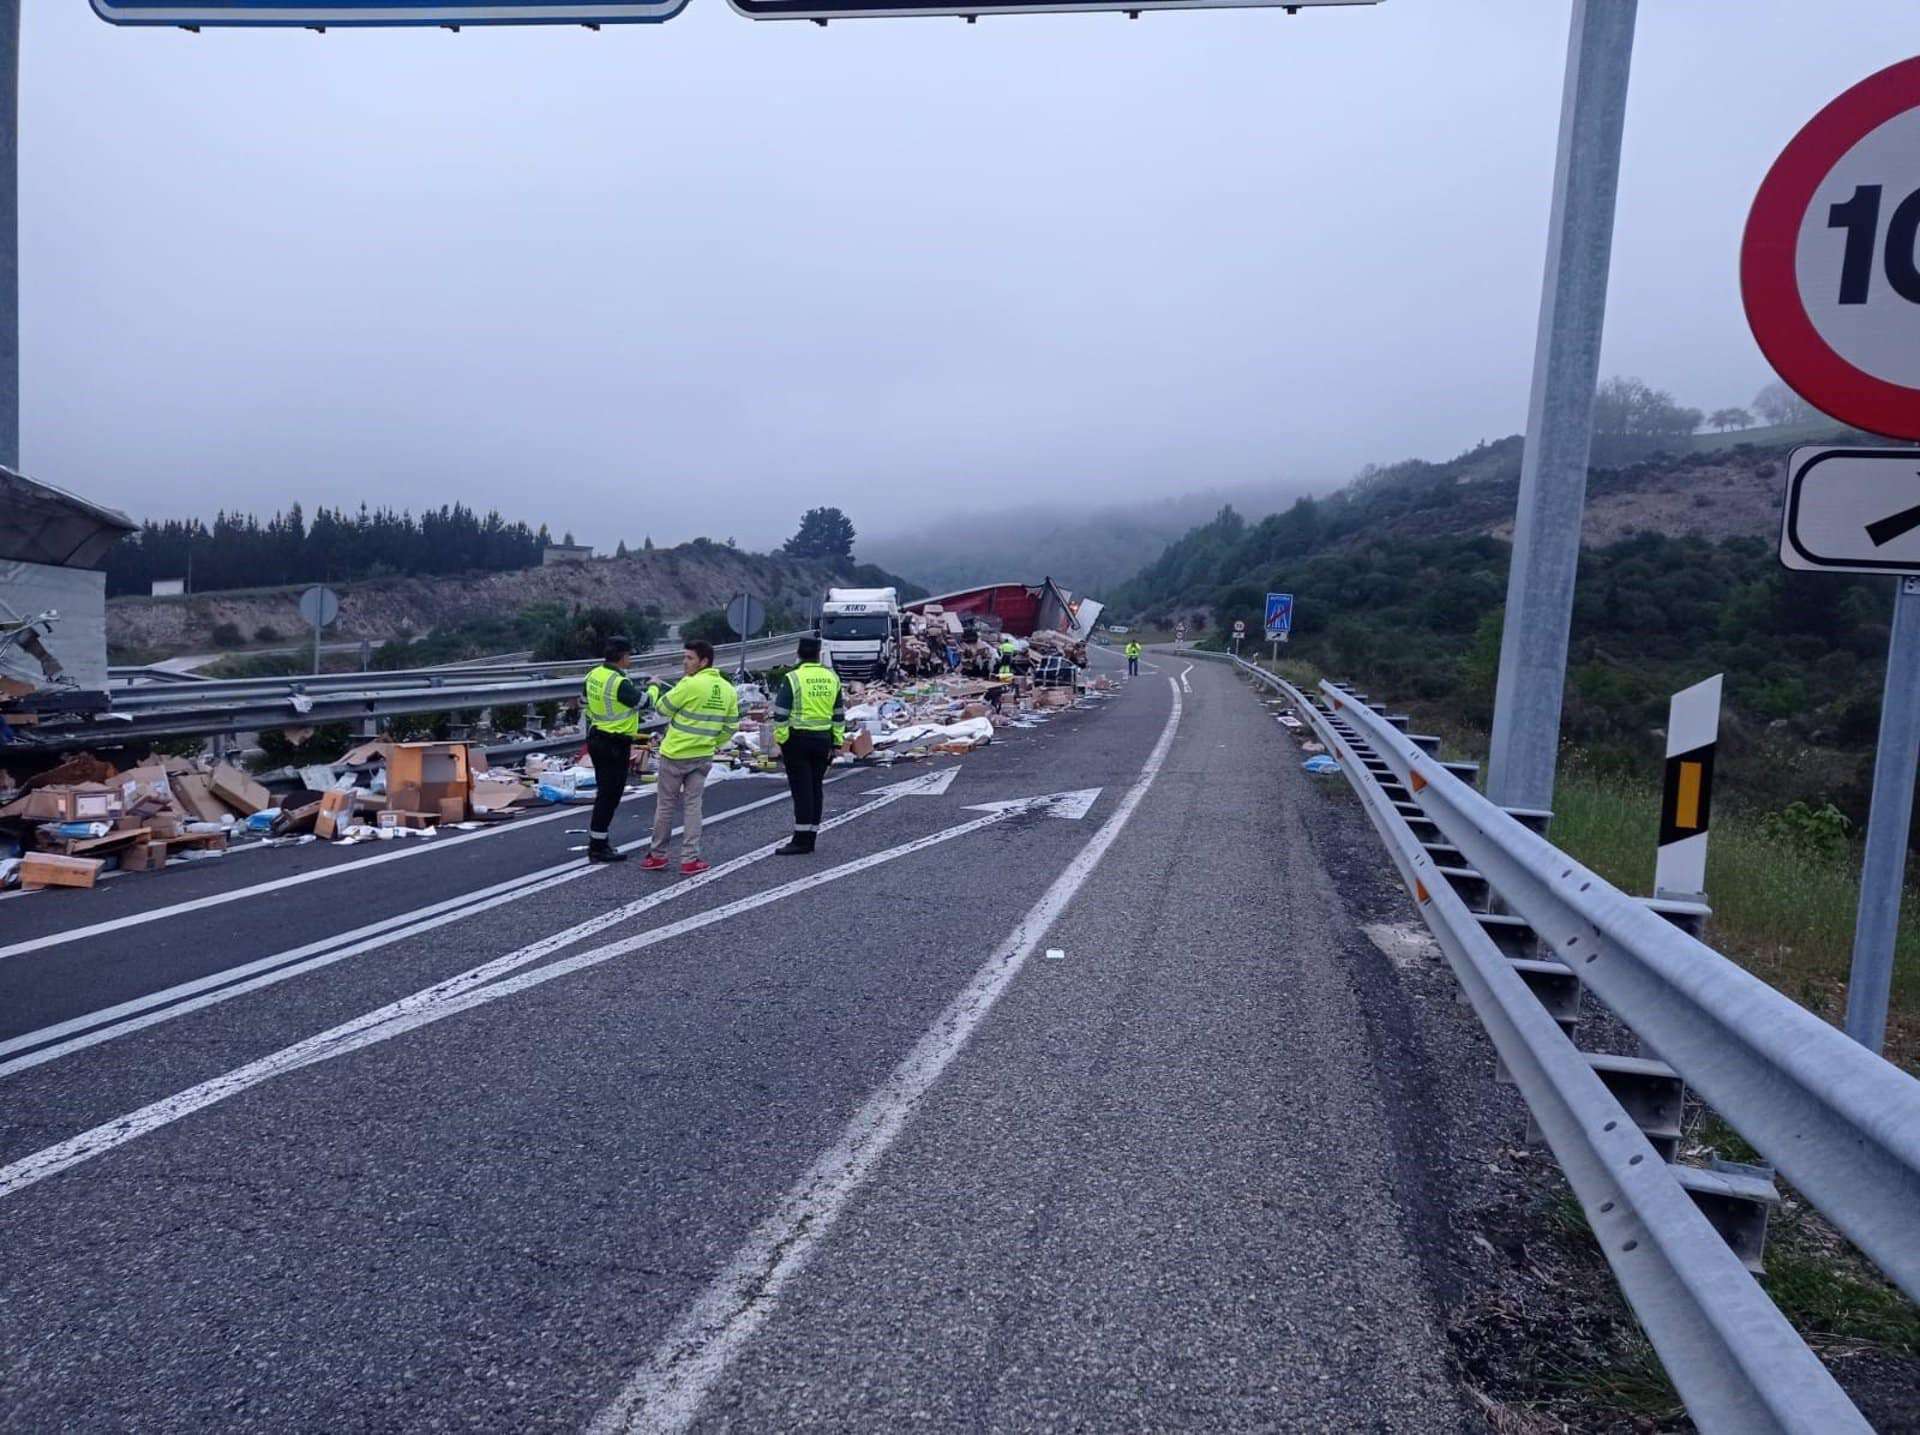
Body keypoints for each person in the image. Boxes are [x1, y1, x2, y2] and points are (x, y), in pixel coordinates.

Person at [641, 639, 739, 875]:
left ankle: (657, 856)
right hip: (703, 754)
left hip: (675, 753)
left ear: (703, 661)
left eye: (689, 658)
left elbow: (662, 708)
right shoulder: (727, 689)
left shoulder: (690, 684)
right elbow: (732, 725)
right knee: (693, 806)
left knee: (665, 806)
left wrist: (656, 686)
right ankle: (690, 859)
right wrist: (713, 742)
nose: (684, 663)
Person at [772, 636, 845, 855]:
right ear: (818, 653)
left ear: (799, 654)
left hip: (798, 740)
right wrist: (837, 741)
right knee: (815, 788)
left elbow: (781, 713)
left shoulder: (793, 678)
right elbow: (839, 714)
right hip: (823, 740)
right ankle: (811, 836)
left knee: (801, 790)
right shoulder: (832, 677)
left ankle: (801, 840)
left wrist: (782, 739)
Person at [581, 635, 644, 863]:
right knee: (610, 795)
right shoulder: (619, 683)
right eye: (629, 655)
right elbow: (643, 702)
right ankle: (597, 846)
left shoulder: (593, 674)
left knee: (605, 793)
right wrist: (655, 687)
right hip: (614, 743)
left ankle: (599, 842)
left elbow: (583, 700)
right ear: (623, 656)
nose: (631, 659)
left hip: (597, 737)